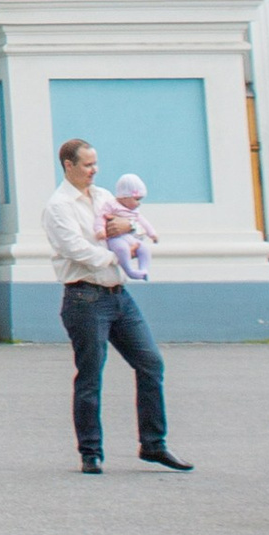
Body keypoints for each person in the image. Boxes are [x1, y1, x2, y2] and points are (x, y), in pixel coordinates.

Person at [43, 137, 192, 477]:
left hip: (118, 296)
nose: (94, 170)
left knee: (151, 362)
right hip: (84, 298)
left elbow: (130, 221)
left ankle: (153, 444)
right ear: (68, 165)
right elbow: (77, 250)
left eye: (96, 164)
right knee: (91, 376)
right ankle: (91, 452)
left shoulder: (104, 196)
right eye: (87, 164)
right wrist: (119, 256)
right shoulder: (58, 206)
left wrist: (131, 229)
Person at [98, 173, 157, 283]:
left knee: (144, 248)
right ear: (125, 197)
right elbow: (101, 219)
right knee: (122, 249)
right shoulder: (111, 205)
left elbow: (143, 223)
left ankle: (144, 269)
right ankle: (129, 270)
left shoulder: (134, 212)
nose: (139, 203)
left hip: (130, 238)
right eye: (136, 199)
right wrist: (100, 230)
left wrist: (151, 233)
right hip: (116, 239)